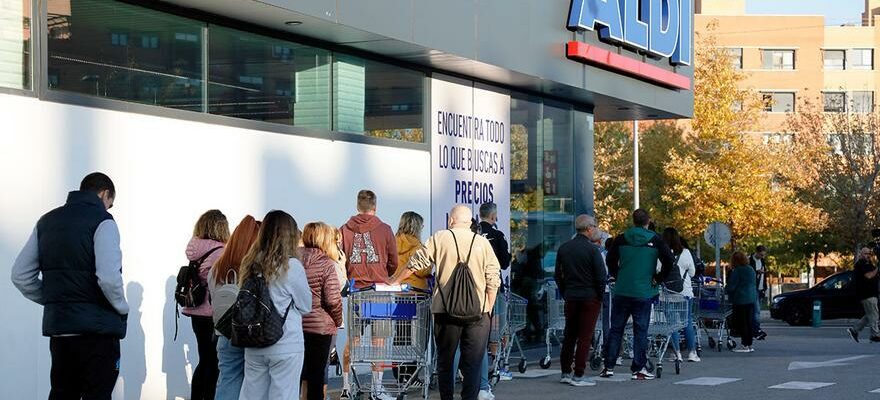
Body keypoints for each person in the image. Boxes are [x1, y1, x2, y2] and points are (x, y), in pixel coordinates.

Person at [11, 172, 128, 399]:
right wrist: (122, 307)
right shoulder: (103, 221)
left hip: (61, 331)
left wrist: (56, 299)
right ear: (104, 194)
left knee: (62, 394)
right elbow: (108, 278)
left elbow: (20, 275)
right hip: (97, 332)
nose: (108, 209)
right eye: (110, 204)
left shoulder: (46, 222)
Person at [389, 205, 500, 400]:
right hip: (478, 312)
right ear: (470, 222)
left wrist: (395, 281)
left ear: (451, 220)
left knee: (445, 361)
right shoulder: (483, 243)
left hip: (445, 310)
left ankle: (447, 397)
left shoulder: (440, 238)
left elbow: (416, 262)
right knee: (472, 363)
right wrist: (488, 307)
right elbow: (493, 278)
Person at [239, 210, 312, 400]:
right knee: (284, 395)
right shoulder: (291, 266)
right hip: (285, 342)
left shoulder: (250, 262)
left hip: (254, 341)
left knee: (252, 396)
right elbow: (306, 306)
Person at [601, 209, 675, 380]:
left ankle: (609, 366)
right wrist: (658, 278)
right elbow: (669, 261)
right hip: (644, 291)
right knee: (640, 330)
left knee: (616, 328)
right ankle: (638, 368)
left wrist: (618, 275)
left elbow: (610, 260)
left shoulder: (621, 238)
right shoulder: (655, 240)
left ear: (633, 221)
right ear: (648, 221)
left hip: (622, 290)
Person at [339, 190, 398, 400]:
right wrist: (384, 273)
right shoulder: (385, 229)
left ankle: (346, 387)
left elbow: (340, 260)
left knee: (352, 341)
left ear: (357, 206)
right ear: (375, 206)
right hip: (378, 291)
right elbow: (394, 263)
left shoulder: (344, 230)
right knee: (378, 342)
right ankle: (377, 388)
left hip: (356, 291)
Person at [209, 215, 261, 400]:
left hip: (224, 333)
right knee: (254, 384)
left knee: (227, 379)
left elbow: (213, 298)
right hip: (249, 334)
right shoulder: (254, 268)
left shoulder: (217, 268)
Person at [555, 215, 606, 387]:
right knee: (585, 336)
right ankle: (579, 373)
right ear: (589, 228)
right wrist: (599, 296)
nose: (596, 229)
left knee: (569, 334)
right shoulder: (593, 250)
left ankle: (565, 372)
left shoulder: (564, 248)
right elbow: (601, 277)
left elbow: (558, 275)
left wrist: (565, 292)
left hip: (571, 296)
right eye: (595, 226)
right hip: (590, 297)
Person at [184, 210, 229, 400]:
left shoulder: (195, 248)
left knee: (204, 360)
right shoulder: (220, 252)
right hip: (213, 312)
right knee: (214, 363)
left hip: (195, 311)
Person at [300, 222, 344, 400]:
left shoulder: (294, 260)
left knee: (299, 373)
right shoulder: (326, 263)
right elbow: (333, 300)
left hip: (297, 325)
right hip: (320, 328)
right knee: (317, 376)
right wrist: (338, 320)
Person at [662, 228, 700, 363]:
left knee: (672, 324)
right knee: (687, 321)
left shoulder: (661, 253)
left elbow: (656, 270)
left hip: (667, 294)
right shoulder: (685, 252)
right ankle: (692, 352)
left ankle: (676, 352)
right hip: (685, 292)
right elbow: (693, 273)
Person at [726, 251, 758, 353]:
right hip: (751, 298)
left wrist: (726, 290)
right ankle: (748, 344)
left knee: (742, 322)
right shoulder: (750, 269)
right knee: (749, 322)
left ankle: (744, 345)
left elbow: (732, 285)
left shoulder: (738, 270)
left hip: (741, 299)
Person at [847, 246, 880, 343]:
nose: (868, 255)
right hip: (867, 294)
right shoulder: (860, 264)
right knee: (874, 315)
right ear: (861, 254)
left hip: (872, 293)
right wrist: (877, 268)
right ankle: (875, 335)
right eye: (866, 253)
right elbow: (869, 275)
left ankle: (854, 330)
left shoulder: (869, 263)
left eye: (869, 253)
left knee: (870, 315)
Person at [748, 246, 769, 340]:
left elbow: (764, 275)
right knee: (757, 310)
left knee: (755, 310)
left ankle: (754, 329)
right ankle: (756, 329)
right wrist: (757, 272)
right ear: (756, 252)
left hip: (760, 287)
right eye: (760, 254)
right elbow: (749, 273)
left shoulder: (762, 261)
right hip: (753, 288)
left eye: (763, 255)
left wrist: (765, 286)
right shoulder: (749, 261)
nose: (762, 256)